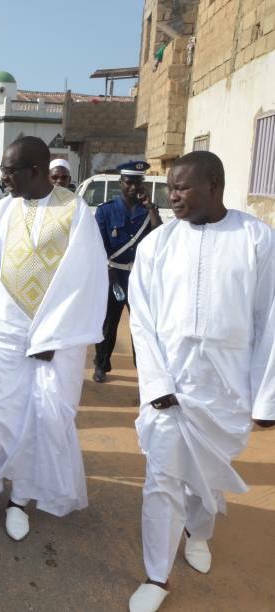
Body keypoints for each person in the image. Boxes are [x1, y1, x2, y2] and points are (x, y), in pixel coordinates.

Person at [126, 151, 275, 612]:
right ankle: (157, 575)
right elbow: (141, 321)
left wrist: (266, 397)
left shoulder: (256, 238)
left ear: (214, 185)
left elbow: (270, 319)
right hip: (169, 382)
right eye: (169, 187)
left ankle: (198, 532)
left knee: (205, 483)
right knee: (163, 478)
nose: (172, 196)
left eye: (182, 187)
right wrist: (155, 383)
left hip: (226, 388)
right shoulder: (157, 244)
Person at [0, 136, 107, 541]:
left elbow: (84, 278)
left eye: (9, 171)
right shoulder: (0, 212)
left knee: (39, 419)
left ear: (34, 171)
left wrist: (56, 334)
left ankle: (21, 497)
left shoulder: (76, 212)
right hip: (0, 329)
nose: (3, 177)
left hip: (52, 338)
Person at [92, 161, 162, 383]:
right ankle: (101, 364)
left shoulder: (148, 210)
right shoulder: (106, 210)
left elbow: (159, 236)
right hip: (114, 275)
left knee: (141, 326)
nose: (133, 187)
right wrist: (107, 269)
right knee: (108, 323)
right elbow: (97, 245)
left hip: (139, 278)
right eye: (129, 182)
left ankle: (141, 368)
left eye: (138, 182)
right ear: (120, 183)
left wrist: (151, 207)